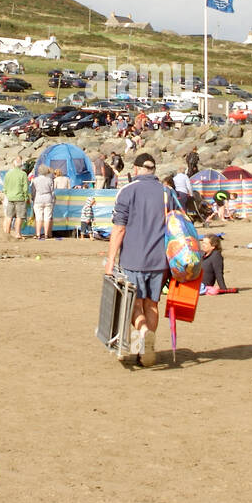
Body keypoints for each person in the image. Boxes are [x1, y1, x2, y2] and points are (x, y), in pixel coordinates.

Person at [104, 153, 167, 366]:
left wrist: (111, 260)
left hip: (134, 257)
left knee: (134, 305)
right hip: (161, 260)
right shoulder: (168, 192)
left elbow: (119, 227)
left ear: (137, 169)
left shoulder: (128, 191)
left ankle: (143, 332)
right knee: (153, 304)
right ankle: (144, 350)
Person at [1, 160, 29, 239]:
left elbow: (5, 186)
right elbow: (25, 188)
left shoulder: (8, 174)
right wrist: (26, 197)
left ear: (13, 165)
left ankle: (7, 233)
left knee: (9, 216)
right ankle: (17, 233)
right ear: (21, 166)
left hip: (10, 197)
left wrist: (7, 193)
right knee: (19, 216)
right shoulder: (23, 174)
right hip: (20, 197)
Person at [32, 166, 56, 240]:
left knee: (38, 217)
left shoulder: (35, 180)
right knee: (47, 217)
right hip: (48, 198)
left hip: (38, 198)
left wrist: (33, 198)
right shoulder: (50, 180)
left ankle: (38, 234)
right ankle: (46, 234)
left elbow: (33, 191)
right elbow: (52, 191)